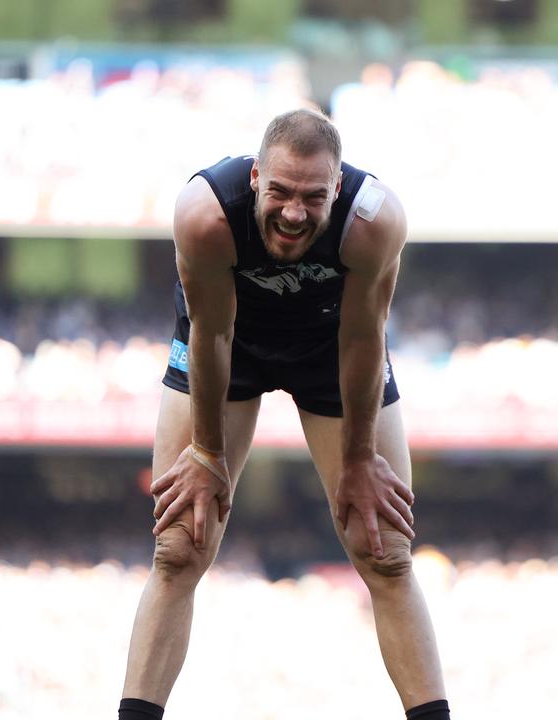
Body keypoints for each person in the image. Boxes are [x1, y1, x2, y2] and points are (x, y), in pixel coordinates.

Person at [119, 108, 451, 720]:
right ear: (253, 179)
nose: (294, 213)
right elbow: (213, 335)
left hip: (331, 345)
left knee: (384, 547)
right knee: (180, 546)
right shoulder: (206, 215)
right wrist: (207, 455)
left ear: (337, 187)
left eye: (313, 197)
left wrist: (358, 460)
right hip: (228, 345)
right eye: (280, 192)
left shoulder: (372, 220)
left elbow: (362, 338)